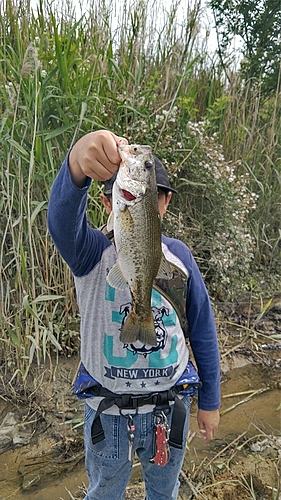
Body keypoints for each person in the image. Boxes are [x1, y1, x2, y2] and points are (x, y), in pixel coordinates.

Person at [47, 129, 220, 500]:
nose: (145, 201)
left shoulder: (180, 259)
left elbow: (203, 330)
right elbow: (61, 224)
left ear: (165, 202)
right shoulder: (90, 254)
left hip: (168, 412)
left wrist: (210, 402)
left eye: (153, 195)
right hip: (107, 415)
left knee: (164, 491)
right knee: (104, 492)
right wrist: (77, 165)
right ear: (109, 203)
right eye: (118, 195)